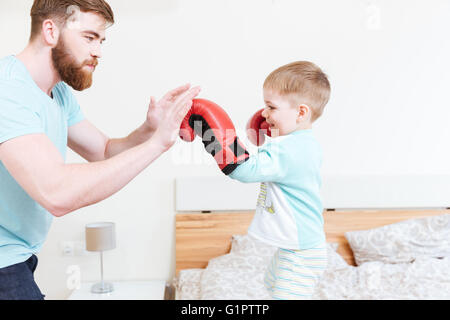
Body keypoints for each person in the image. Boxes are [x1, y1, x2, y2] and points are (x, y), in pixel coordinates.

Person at [0, 0, 200, 300]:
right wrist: (159, 144)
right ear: (51, 31)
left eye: (101, 40)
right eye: (89, 37)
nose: (98, 52)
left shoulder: (58, 94)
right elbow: (56, 193)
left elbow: (104, 151)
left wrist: (149, 130)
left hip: (18, 255)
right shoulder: (9, 89)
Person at [229, 61, 331, 299]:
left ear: (301, 112)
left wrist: (213, 137)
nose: (264, 114)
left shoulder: (288, 150)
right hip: (301, 246)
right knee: (271, 284)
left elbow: (244, 171)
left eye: (271, 107)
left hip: (301, 251)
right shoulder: (303, 143)